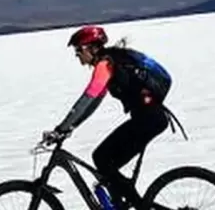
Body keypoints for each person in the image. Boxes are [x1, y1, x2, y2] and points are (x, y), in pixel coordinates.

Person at [42, 25, 184, 209]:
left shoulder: (105, 64)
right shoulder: (111, 63)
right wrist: (70, 127)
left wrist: (61, 128)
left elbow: (87, 98)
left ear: (90, 48)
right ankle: (118, 202)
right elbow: (92, 104)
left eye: (79, 50)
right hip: (148, 119)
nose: (77, 55)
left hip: (148, 120)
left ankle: (139, 206)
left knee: (102, 159)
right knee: (106, 167)